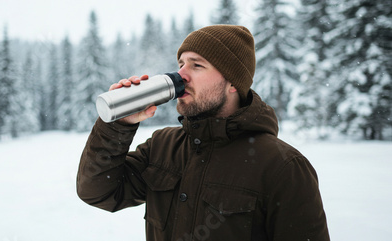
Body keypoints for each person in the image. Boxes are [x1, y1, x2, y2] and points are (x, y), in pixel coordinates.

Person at [76, 25, 330, 241]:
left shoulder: (283, 166)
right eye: (181, 64)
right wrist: (119, 124)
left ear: (232, 83)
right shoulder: (162, 147)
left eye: (197, 65)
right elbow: (99, 192)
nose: (180, 75)